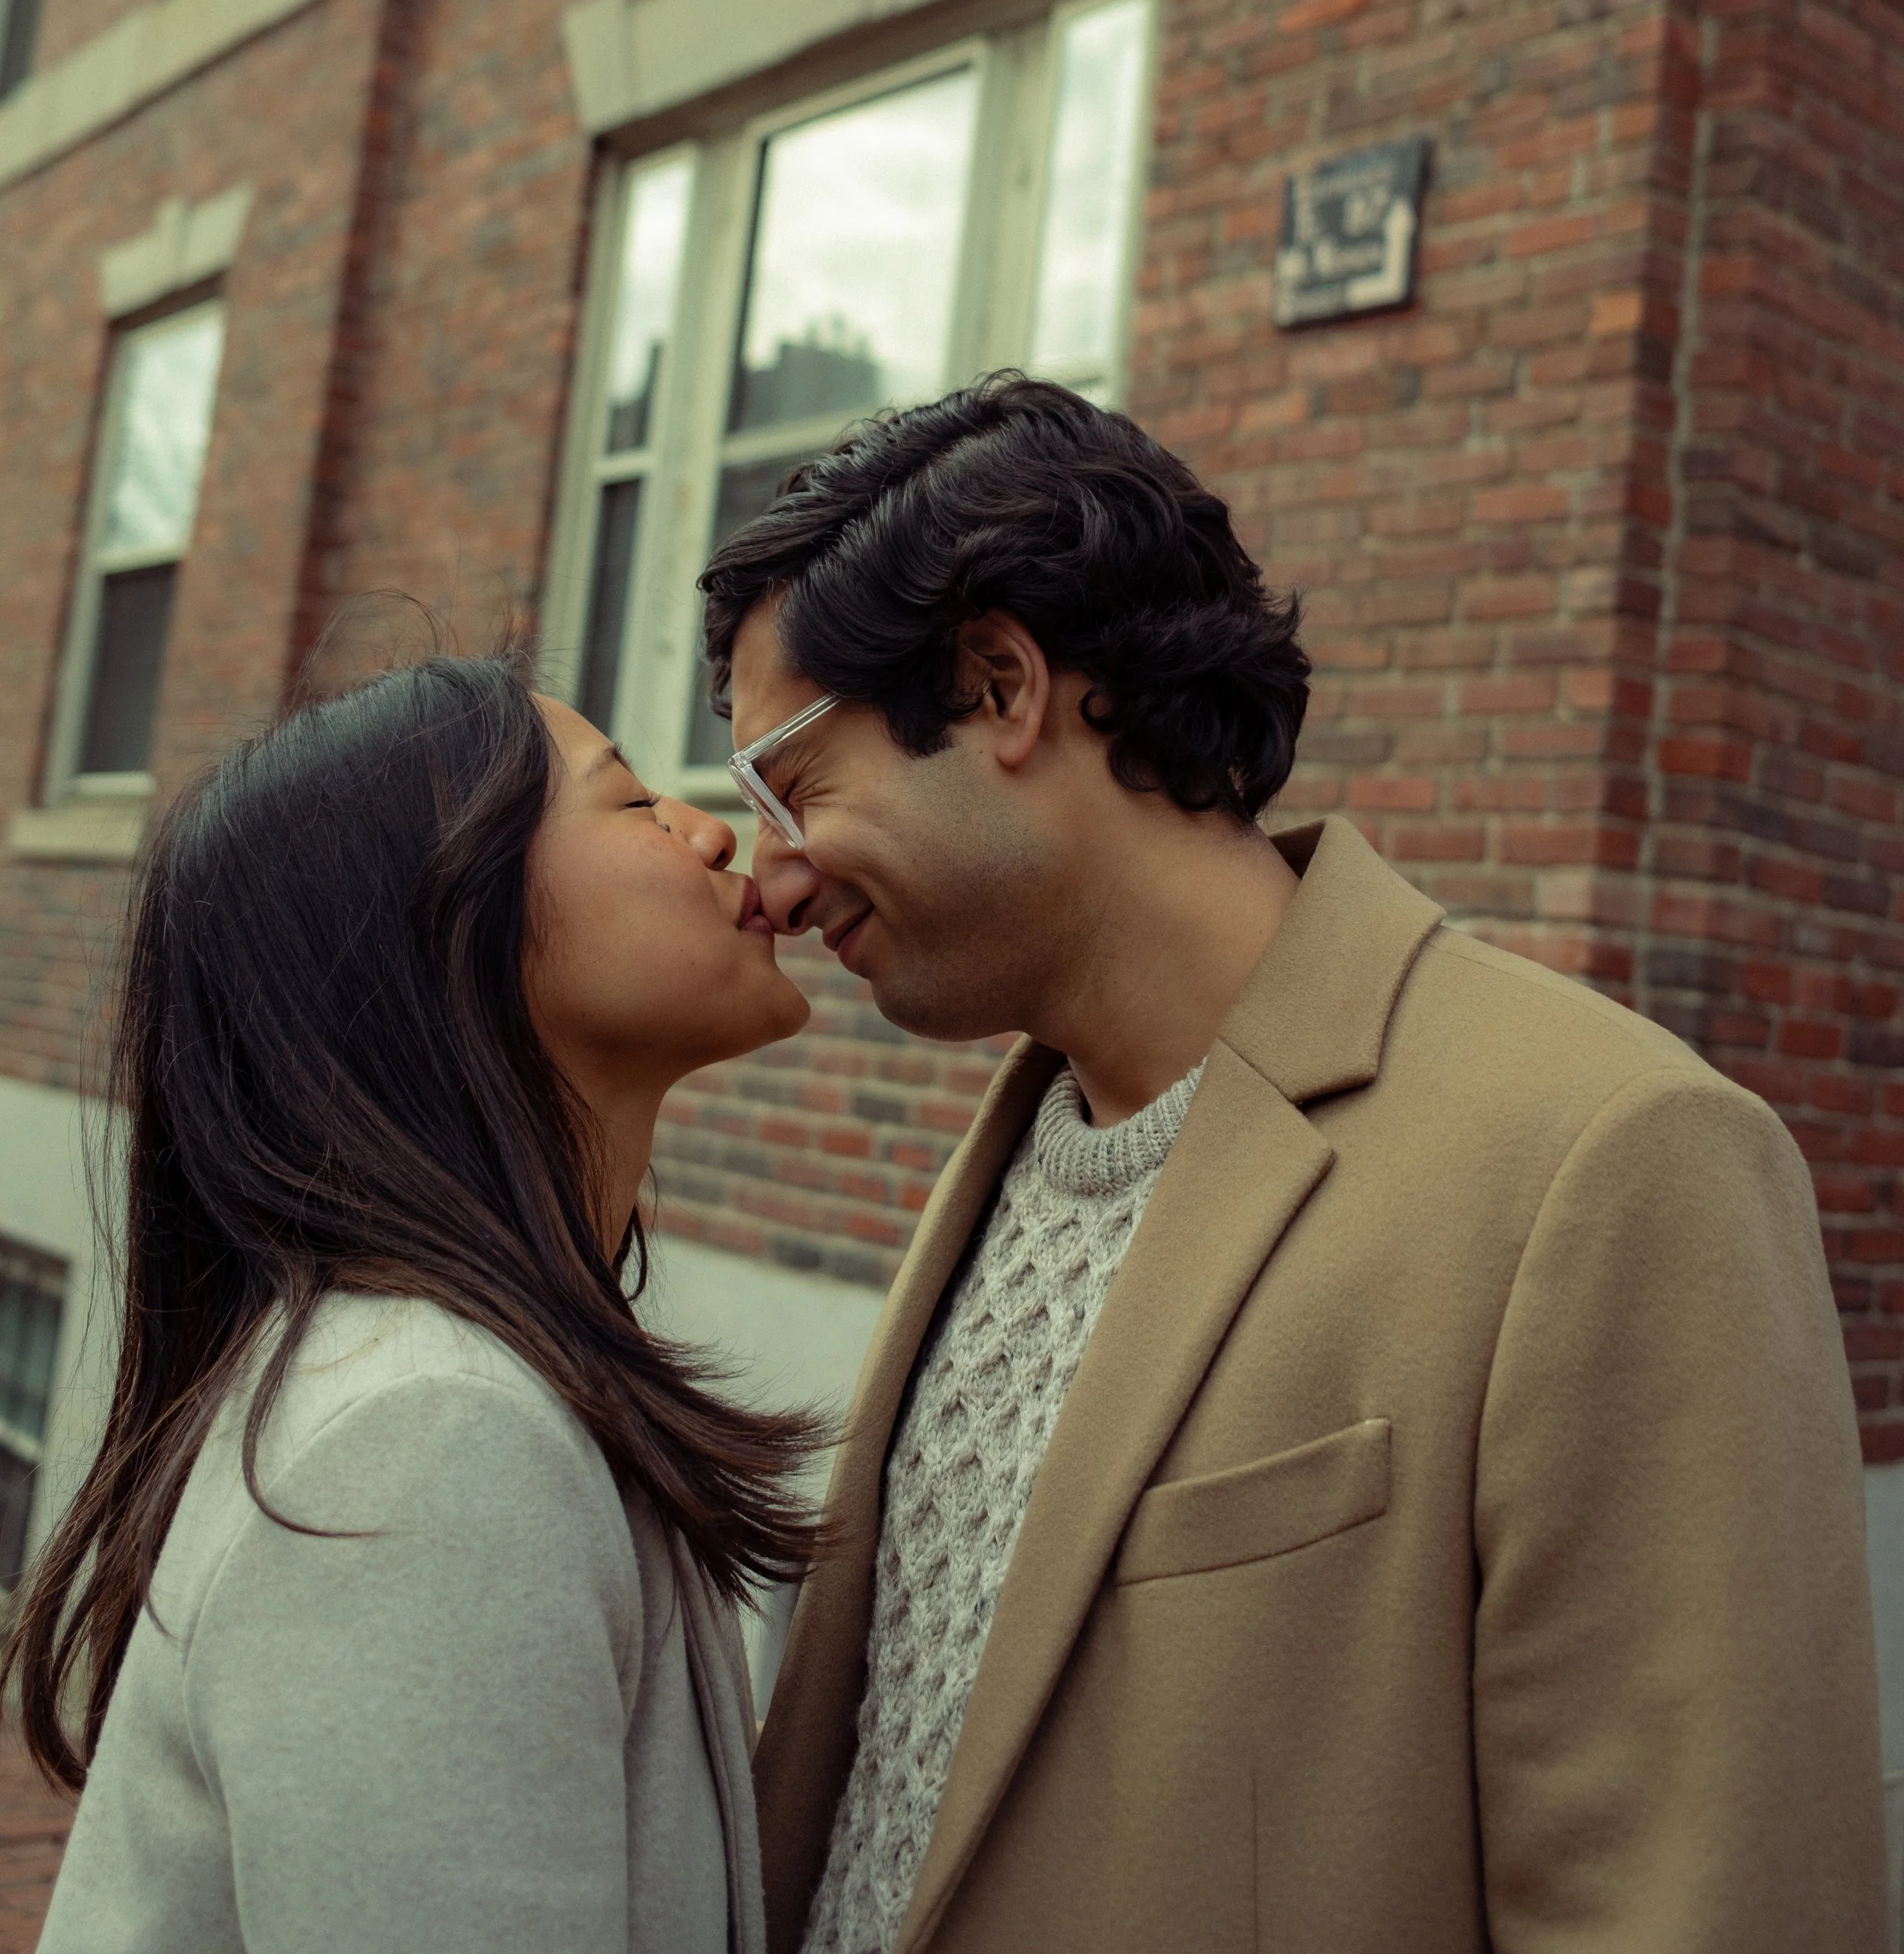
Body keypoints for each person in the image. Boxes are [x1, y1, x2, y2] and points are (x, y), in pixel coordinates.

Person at [701, 374, 1889, 1954]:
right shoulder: (1012, 1152)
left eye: (790, 785)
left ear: (999, 688)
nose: (767, 876)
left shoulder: (1604, 1159)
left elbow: (1702, 1903)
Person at [5, 653, 820, 1954]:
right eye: (631, 802)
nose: (714, 829)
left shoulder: (470, 1384)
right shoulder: (429, 1440)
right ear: (455, 924)